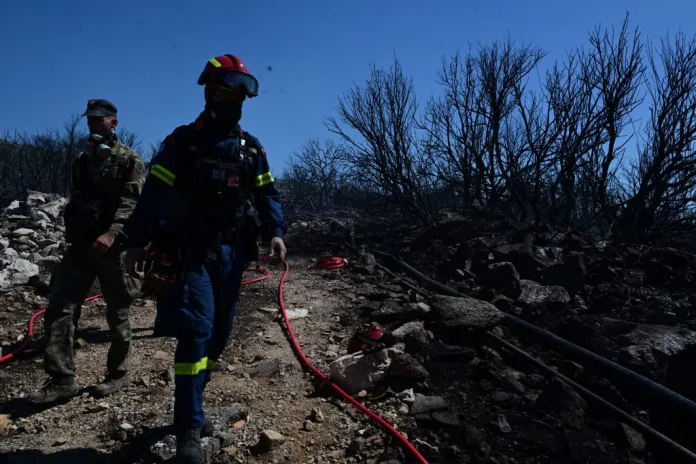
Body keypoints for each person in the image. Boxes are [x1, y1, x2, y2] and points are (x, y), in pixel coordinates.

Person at [122, 54, 287, 464]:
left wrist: (276, 231)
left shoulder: (250, 148)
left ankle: (194, 399)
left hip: (233, 252)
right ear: (211, 92)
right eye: (230, 92)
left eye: (242, 95)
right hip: (190, 251)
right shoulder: (182, 144)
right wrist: (136, 241)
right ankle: (189, 428)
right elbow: (152, 196)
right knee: (196, 331)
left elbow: (266, 193)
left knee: (219, 335)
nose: (237, 101)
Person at [27, 99, 146, 404]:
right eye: (90, 119)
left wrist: (111, 234)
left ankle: (118, 373)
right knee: (61, 307)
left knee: (118, 310)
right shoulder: (82, 159)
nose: (93, 124)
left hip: (114, 247)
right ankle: (62, 378)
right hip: (81, 245)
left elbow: (131, 203)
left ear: (113, 122)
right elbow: (78, 198)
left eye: (99, 119)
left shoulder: (130, 160)